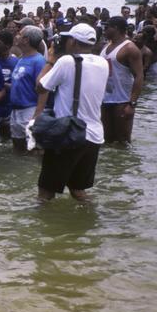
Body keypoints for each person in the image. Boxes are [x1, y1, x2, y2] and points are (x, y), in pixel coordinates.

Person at [34, 23, 109, 203]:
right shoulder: (103, 62)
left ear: (73, 42)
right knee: (78, 191)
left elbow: (40, 87)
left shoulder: (66, 62)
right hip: (94, 136)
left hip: (69, 135)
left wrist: (51, 59)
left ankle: (39, 220)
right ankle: (92, 216)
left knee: (45, 193)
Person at [100, 16, 144, 143]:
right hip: (105, 99)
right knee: (106, 140)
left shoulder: (130, 48)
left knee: (122, 141)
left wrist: (132, 104)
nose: (104, 30)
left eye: (107, 27)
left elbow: (139, 76)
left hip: (122, 101)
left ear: (116, 28)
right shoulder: (106, 46)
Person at [9, 25, 47, 153]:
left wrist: (37, 114)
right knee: (17, 147)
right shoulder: (21, 59)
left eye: (19, 34)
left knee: (32, 149)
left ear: (26, 40)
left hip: (30, 109)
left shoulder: (39, 61)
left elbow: (44, 89)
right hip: (15, 110)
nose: (16, 36)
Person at [0, 30, 18, 142]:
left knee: (8, 141)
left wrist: (3, 85)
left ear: (7, 45)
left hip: (9, 108)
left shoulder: (16, 62)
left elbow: (18, 87)